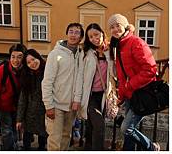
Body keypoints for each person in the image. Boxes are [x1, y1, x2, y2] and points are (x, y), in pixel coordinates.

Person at [108, 14, 160, 151]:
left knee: (126, 128)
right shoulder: (118, 45)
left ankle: (151, 147)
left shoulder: (135, 42)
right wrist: (122, 94)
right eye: (111, 27)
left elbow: (150, 69)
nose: (114, 29)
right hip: (130, 95)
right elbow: (122, 75)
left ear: (125, 26)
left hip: (142, 93)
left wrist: (129, 85)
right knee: (128, 129)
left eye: (117, 25)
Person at [41, 23, 84, 151]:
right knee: (54, 140)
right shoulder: (55, 54)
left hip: (71, 106)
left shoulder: (81, 55)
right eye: (71, 31)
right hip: (56, 104)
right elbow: (47, 81)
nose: (73, 35)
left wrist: (76, 100)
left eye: (77, 32)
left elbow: (79, 79)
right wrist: (48, 105)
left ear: (81, 37)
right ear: (67, 34)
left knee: (66, 137)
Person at [79, 23, 115, 151]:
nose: (94, 38)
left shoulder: (110, 51)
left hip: (104, 94)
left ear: (102, 33)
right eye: (90, 37)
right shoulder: (85, 53)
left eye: (96, 34)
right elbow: (80, 76)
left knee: (92, 125)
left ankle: (88, 147)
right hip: (90, 96)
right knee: (99, 125)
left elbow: (114, 73)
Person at [0, 43, 27, 150]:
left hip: (19, 108)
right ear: (9, 57)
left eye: (19, 57)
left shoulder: (26, 70)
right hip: (4, 107)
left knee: (15, 130)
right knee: (6, 132)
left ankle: (12, 147)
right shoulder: (1, 71)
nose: (16, 60)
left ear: (23, 58)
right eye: (13, 57)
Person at [16, 49, 48, 150]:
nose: (32, 63)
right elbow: (23, 99)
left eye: (33, 59)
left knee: (42, 142)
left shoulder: (48, 71)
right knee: (27, 141)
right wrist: (19, 119)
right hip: (30, 113)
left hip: (45, 112)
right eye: (28, 62)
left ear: (38, 57)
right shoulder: (26, 75)